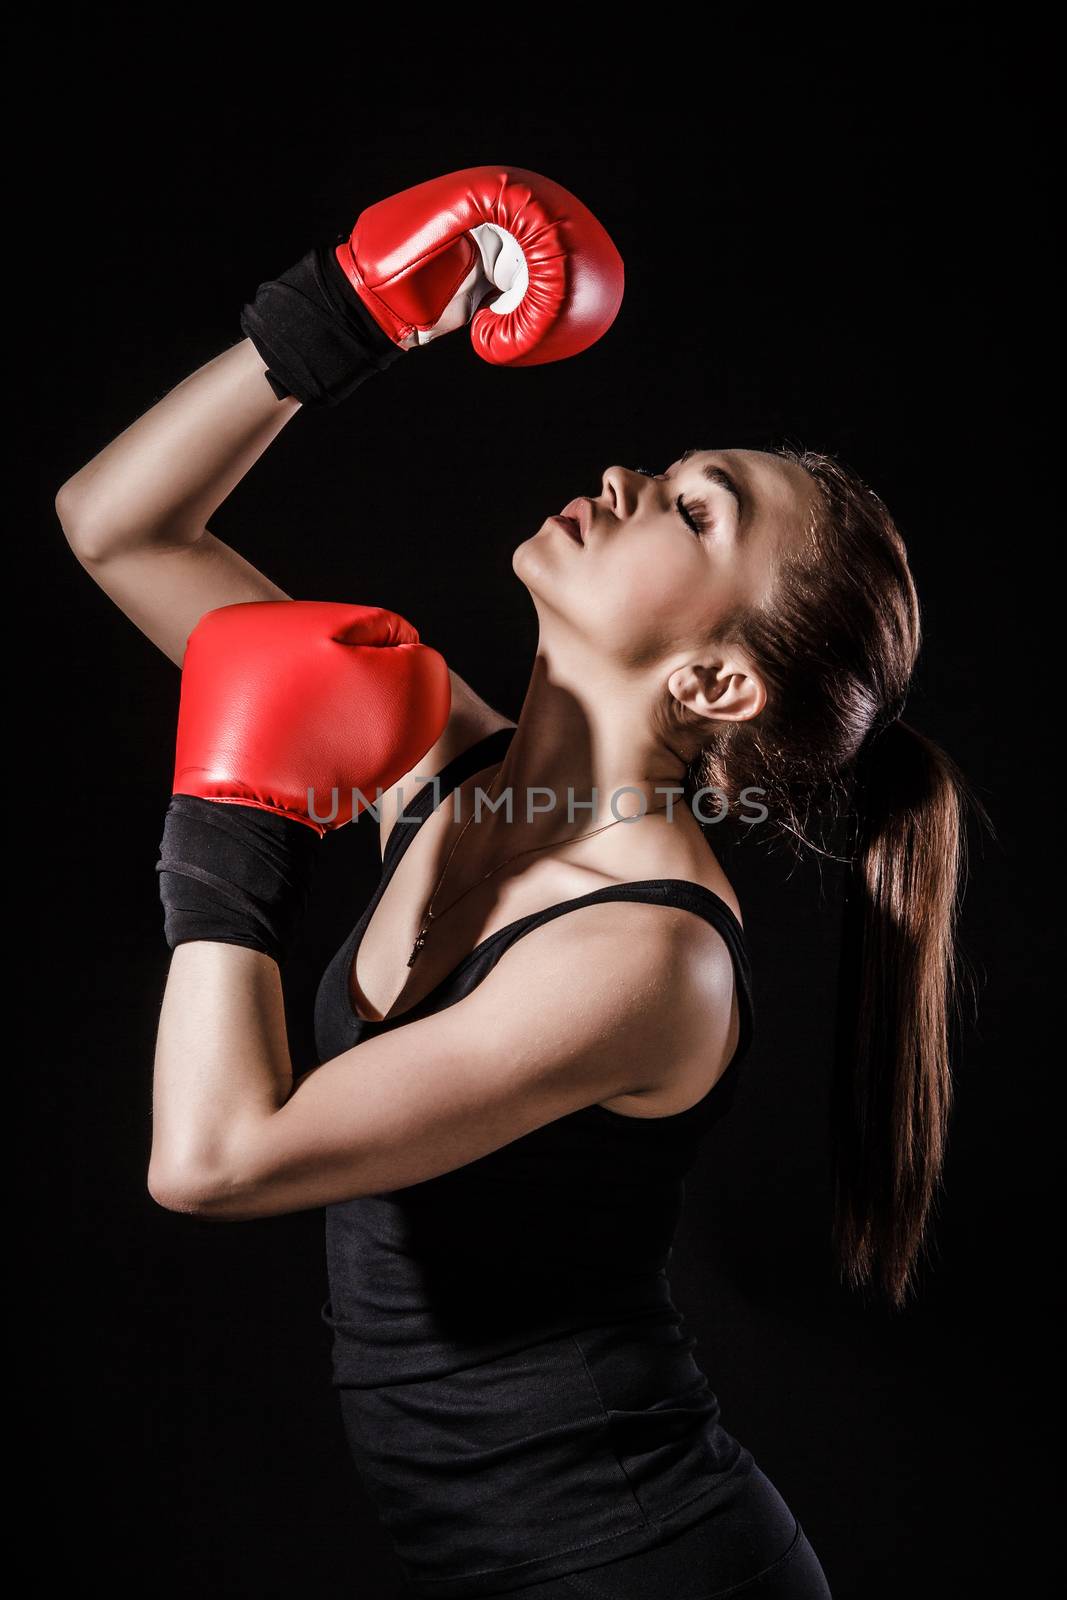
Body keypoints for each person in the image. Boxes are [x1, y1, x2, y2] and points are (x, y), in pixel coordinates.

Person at [56, 179, 985, 1600]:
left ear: (717, 681)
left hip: (642, 1566)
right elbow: (114, 526)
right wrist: (341, 318)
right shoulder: (433, 753)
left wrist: (230, 827)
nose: (622, 477)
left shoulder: (649, 957)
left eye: (692, 506)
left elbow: (214, 1156)